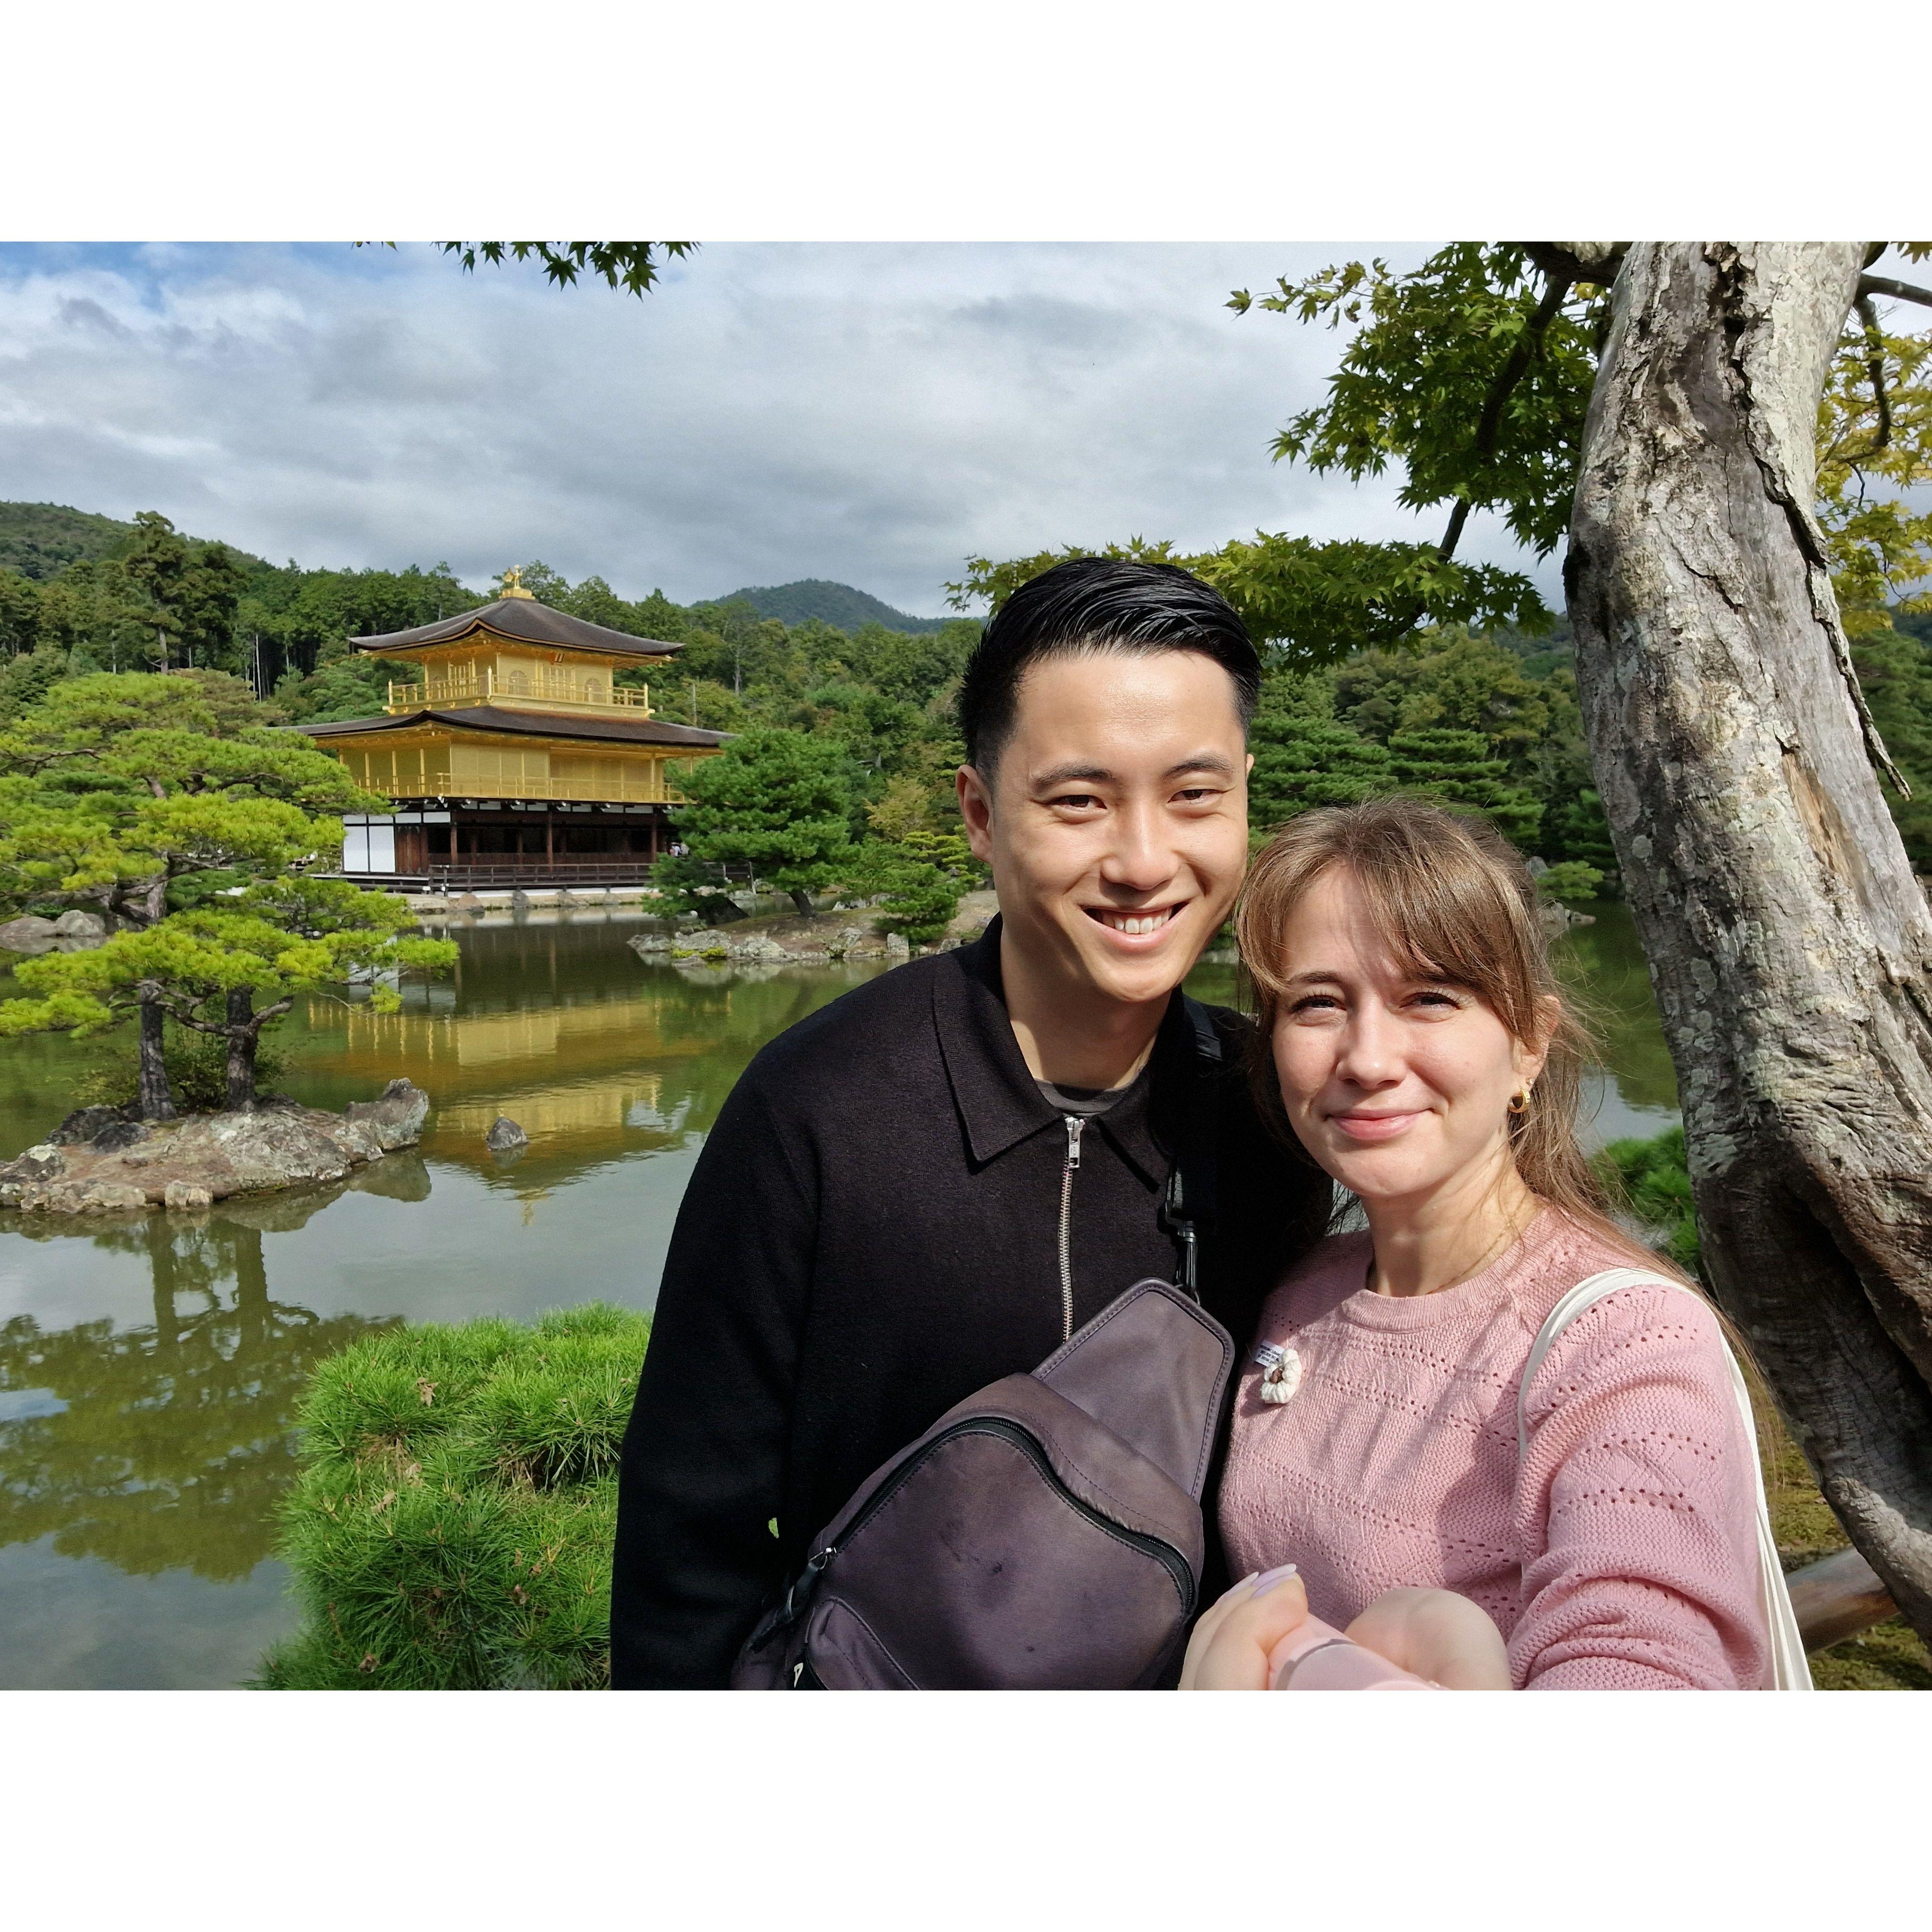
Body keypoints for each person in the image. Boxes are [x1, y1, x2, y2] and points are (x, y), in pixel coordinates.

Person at [610, 558, 1332, 1687]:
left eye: (1195, 796)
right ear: (980, 814)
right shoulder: (820, 1108)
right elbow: (682, 1554)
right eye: (1079, 800)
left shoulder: (1269, 1109)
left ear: (1246, 794)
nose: (1145, 861)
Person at [1205, 797, 1773, 1689]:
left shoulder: (1626, 1347)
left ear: (1530, 1045)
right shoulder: (1298, 1294)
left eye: (1429, 997)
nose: (1368, 1057)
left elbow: (1642, 1662)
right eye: (1317, 1003)